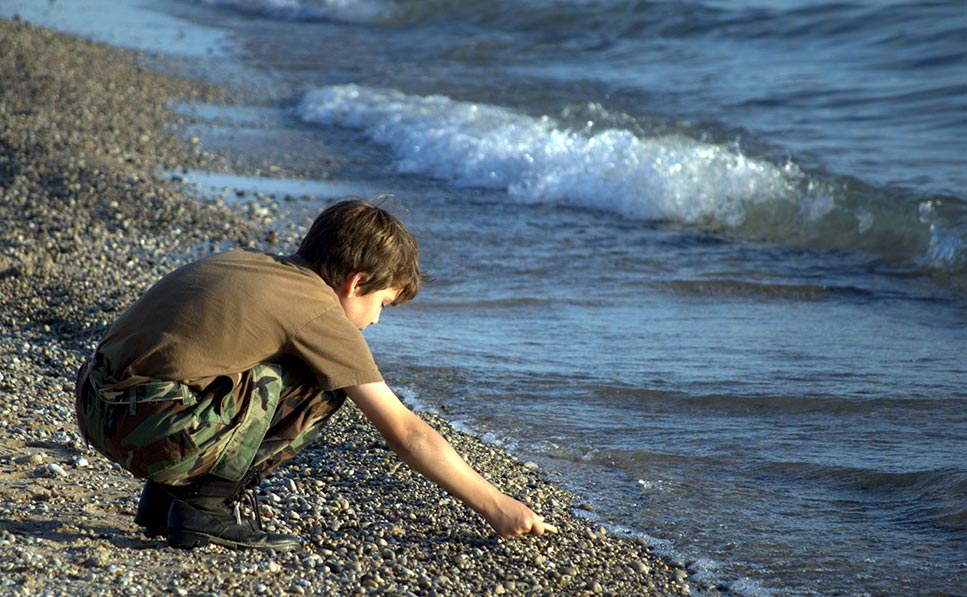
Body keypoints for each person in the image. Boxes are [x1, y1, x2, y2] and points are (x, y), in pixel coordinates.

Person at [74, 199, 550, 551]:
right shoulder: (316, 309)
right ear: (356, 282)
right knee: (321, 382)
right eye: (381, 304)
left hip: (97, 405)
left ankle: (166, 502)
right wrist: (495, 504)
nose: (376, 320)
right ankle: (204, 510)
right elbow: (406, 433)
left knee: (239, 367)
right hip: (145, 426)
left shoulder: (252, 263)